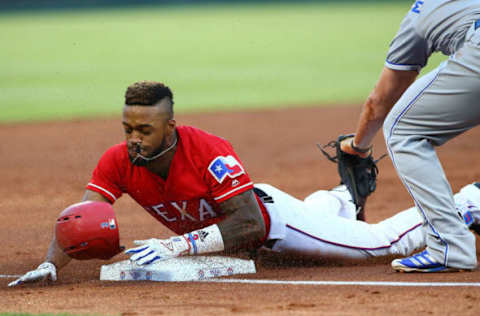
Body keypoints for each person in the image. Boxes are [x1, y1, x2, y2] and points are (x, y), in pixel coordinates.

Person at [8, 81, 480, 287]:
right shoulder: (118, 159)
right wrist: (53, 263)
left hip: (274, 223)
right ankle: (343, 197)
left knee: (377, 244)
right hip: (248, 231)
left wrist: (178, 247)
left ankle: (465, 203)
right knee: (328, 215)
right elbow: (81, 217)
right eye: (128, 129)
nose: (133, 139)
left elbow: (250, 222)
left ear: (170, 127)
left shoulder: (208, 150)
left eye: (144, 130)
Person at [339, 0, 480, 272]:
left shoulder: (422, 11)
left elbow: (380, 101)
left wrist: (358, 147)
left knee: (404, 130)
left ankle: (449, 247)